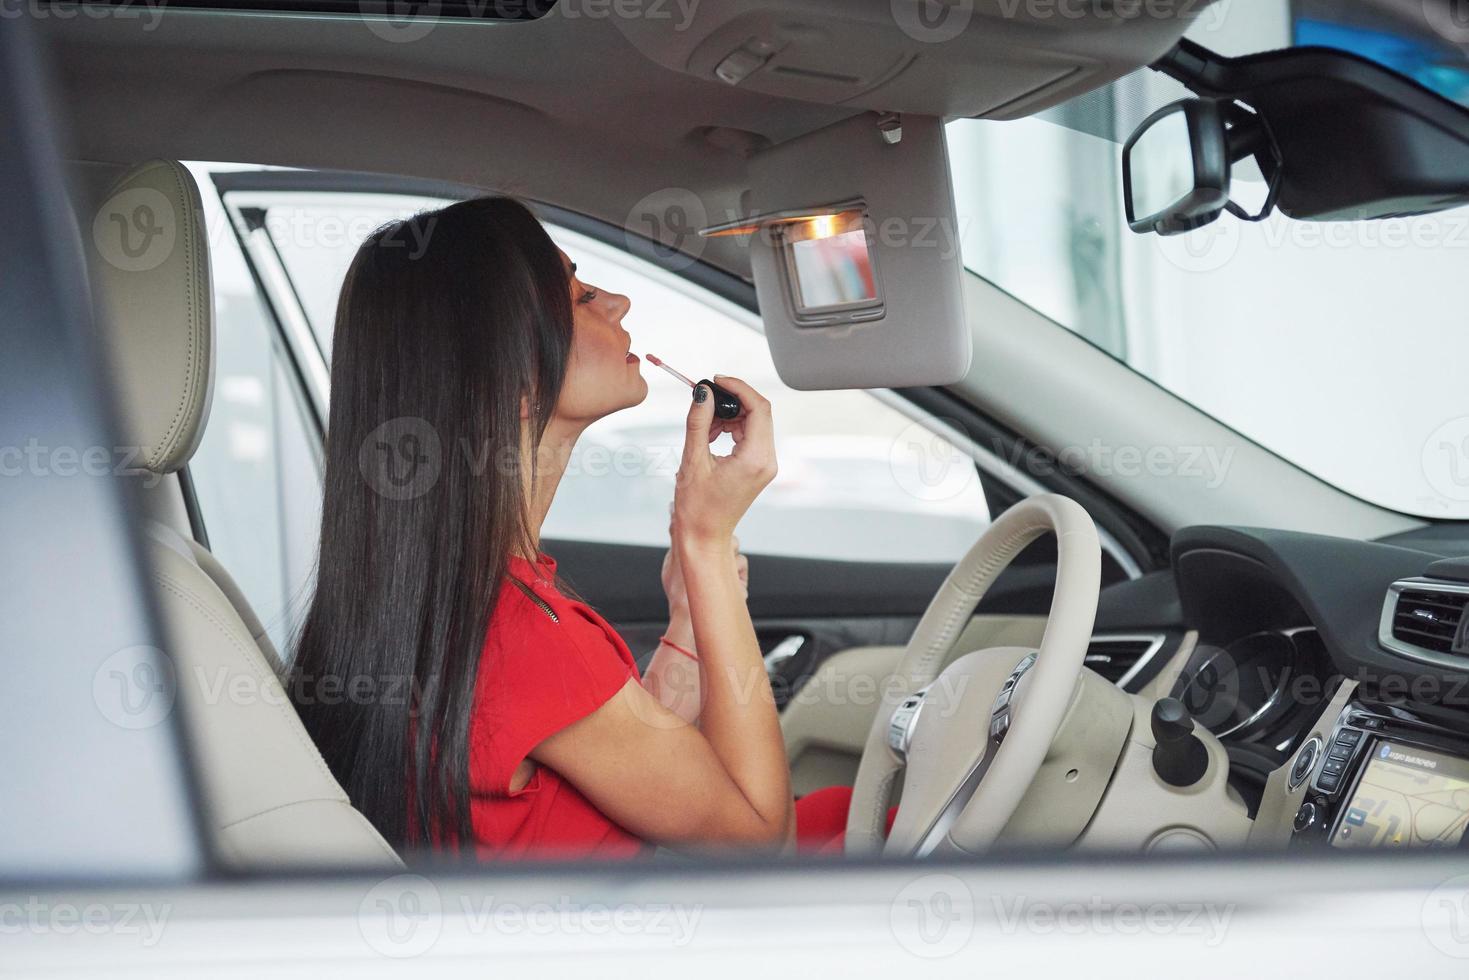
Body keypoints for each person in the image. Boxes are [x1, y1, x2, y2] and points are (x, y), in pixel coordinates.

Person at [291, 196, 820, 860]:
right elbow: (761, 842)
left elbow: (623, 742)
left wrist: (689, 609)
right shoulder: (517, 633)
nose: (618, 302)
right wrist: (705, 543)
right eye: (577, 297)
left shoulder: (462, 603)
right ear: (512, 378)